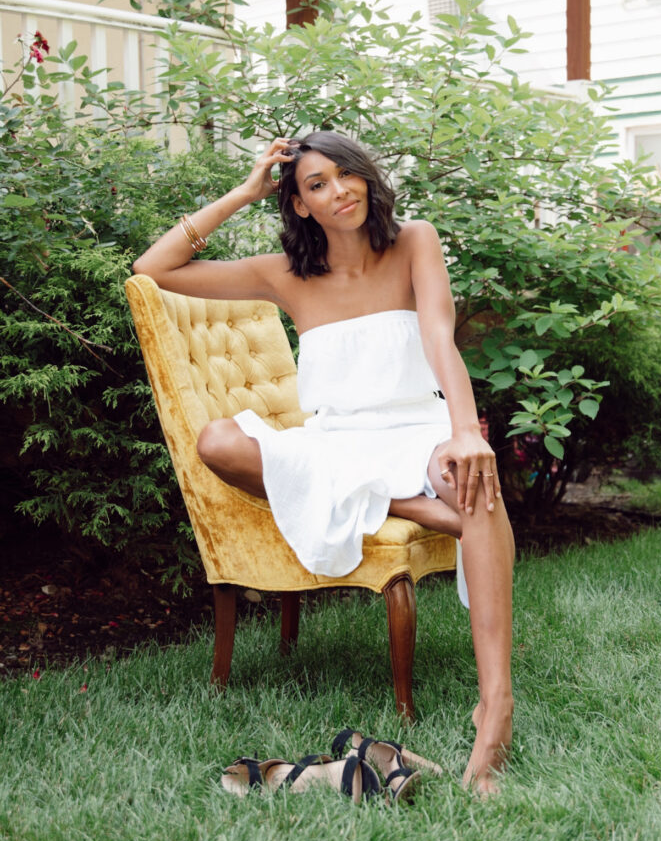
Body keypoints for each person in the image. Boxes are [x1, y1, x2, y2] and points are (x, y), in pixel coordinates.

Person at [132, 131, 515, 794]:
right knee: (220, 441)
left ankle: (496, 705)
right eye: (316, 185)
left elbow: (439, 337)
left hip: (413, 425)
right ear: (300, 204)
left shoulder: (413, 241)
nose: (338, 191)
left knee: (475, 489)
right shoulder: (284, 272)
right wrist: (245, 192)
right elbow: (154, 268)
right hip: (337, 440)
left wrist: (462, 431)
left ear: (366, 176)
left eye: (346, 175)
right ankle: (391, 499)